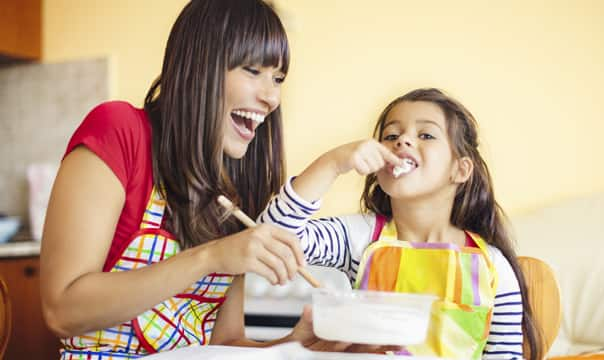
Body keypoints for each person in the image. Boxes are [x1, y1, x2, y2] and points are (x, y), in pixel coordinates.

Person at [40, 1, 370, 358]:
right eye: (252, 70)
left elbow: (223, 344)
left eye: (277, 79)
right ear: (200, 66)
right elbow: (62, 311)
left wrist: (298, 345)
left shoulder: (243, 182)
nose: (271, 97)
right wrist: (211, 257)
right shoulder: (121, 132)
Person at [259, 88, 541, 359]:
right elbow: (271, 237)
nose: (402, 140)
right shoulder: (360, 237)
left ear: (460, 169)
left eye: (426, 134)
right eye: (391, 135)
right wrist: (332, 163)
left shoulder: (494, 266)